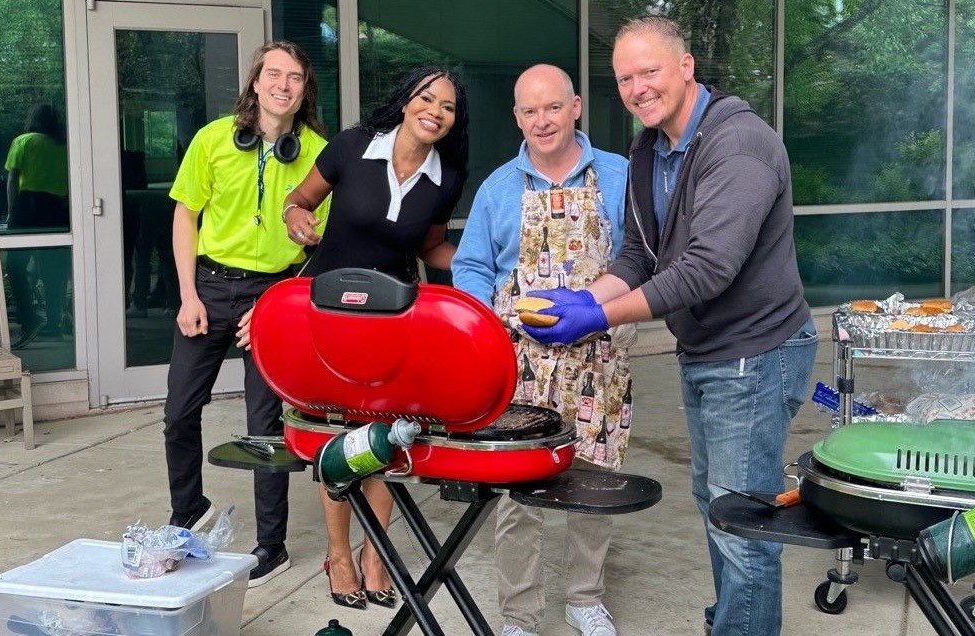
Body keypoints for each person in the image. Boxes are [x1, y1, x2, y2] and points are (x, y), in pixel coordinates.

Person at [524, 17, 819, 636]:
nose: (637, 88)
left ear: (686, 67)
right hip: (707, 348)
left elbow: (708, 269)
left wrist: (600, 315)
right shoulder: (648, 148)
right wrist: (579, 300)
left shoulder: (739, 146)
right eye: (625, 78)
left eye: (649, 71)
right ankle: (732, 621)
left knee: (743, 524)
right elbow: (639, 255)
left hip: (756, 351)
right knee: (720, 506)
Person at [268, 66, 469, 610]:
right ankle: (339, 554)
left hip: (394, 320)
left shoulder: (446, 175)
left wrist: (486, 264)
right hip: (329, 313)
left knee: (385, 436)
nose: (435, 111)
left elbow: (431, 249)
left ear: (454, 121)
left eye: (447, 106)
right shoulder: (353, 146)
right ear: (405, 101)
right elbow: (299, 200)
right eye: (426, 98)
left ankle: (375, 555)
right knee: (338, 433)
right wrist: (295, 220)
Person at [452, 65, 631, 636]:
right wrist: (482, 325)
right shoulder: (499, 187)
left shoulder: (620, 176)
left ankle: (584, 598)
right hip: (521, 364)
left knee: (595, 483)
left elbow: (641, 263)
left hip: (599, 362)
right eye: (529, 111)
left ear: (575, 107)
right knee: (519, 494)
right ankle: (520, 616)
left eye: (552, 107)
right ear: (516, 117)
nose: (541, 121)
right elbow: (473, 266)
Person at [163, 41, 330, 588]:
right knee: (180, 412)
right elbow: (186, 216)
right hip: (208, 287)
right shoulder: (212, 140)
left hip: (277, 292)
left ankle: (271, 545)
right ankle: (188, 510)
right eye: (273, 74)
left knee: (266, 427)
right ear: (256, 83)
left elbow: (323, 246)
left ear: (305, 90)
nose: (283, 85)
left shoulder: (321, 155)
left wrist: (274, 306)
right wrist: (188, 294)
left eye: (295, 78)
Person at [4, 104, 71, 348]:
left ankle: (28, 318)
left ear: (32, 118)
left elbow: (12, 179)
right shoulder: (64, 144)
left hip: (28, 204)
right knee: (53, 267)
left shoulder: (22, 141)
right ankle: (54, 323)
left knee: (15, 263)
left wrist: (11, 212)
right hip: (55, 208)